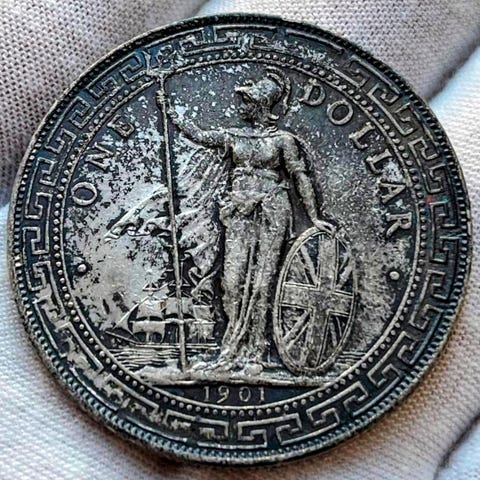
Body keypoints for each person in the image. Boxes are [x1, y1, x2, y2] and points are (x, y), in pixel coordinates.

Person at [163, 68, 334, 374]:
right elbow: (199, 135)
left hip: (272, 210)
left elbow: (300, 177)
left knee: (262, 284)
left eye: (246, 102)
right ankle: (230, 352)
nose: (240, 106)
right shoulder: (234, 136)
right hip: (238, 212)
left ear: (260, 106)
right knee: (231, 284)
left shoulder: (283, 140)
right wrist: (170, 112)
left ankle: (255, 353)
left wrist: (314, 217)